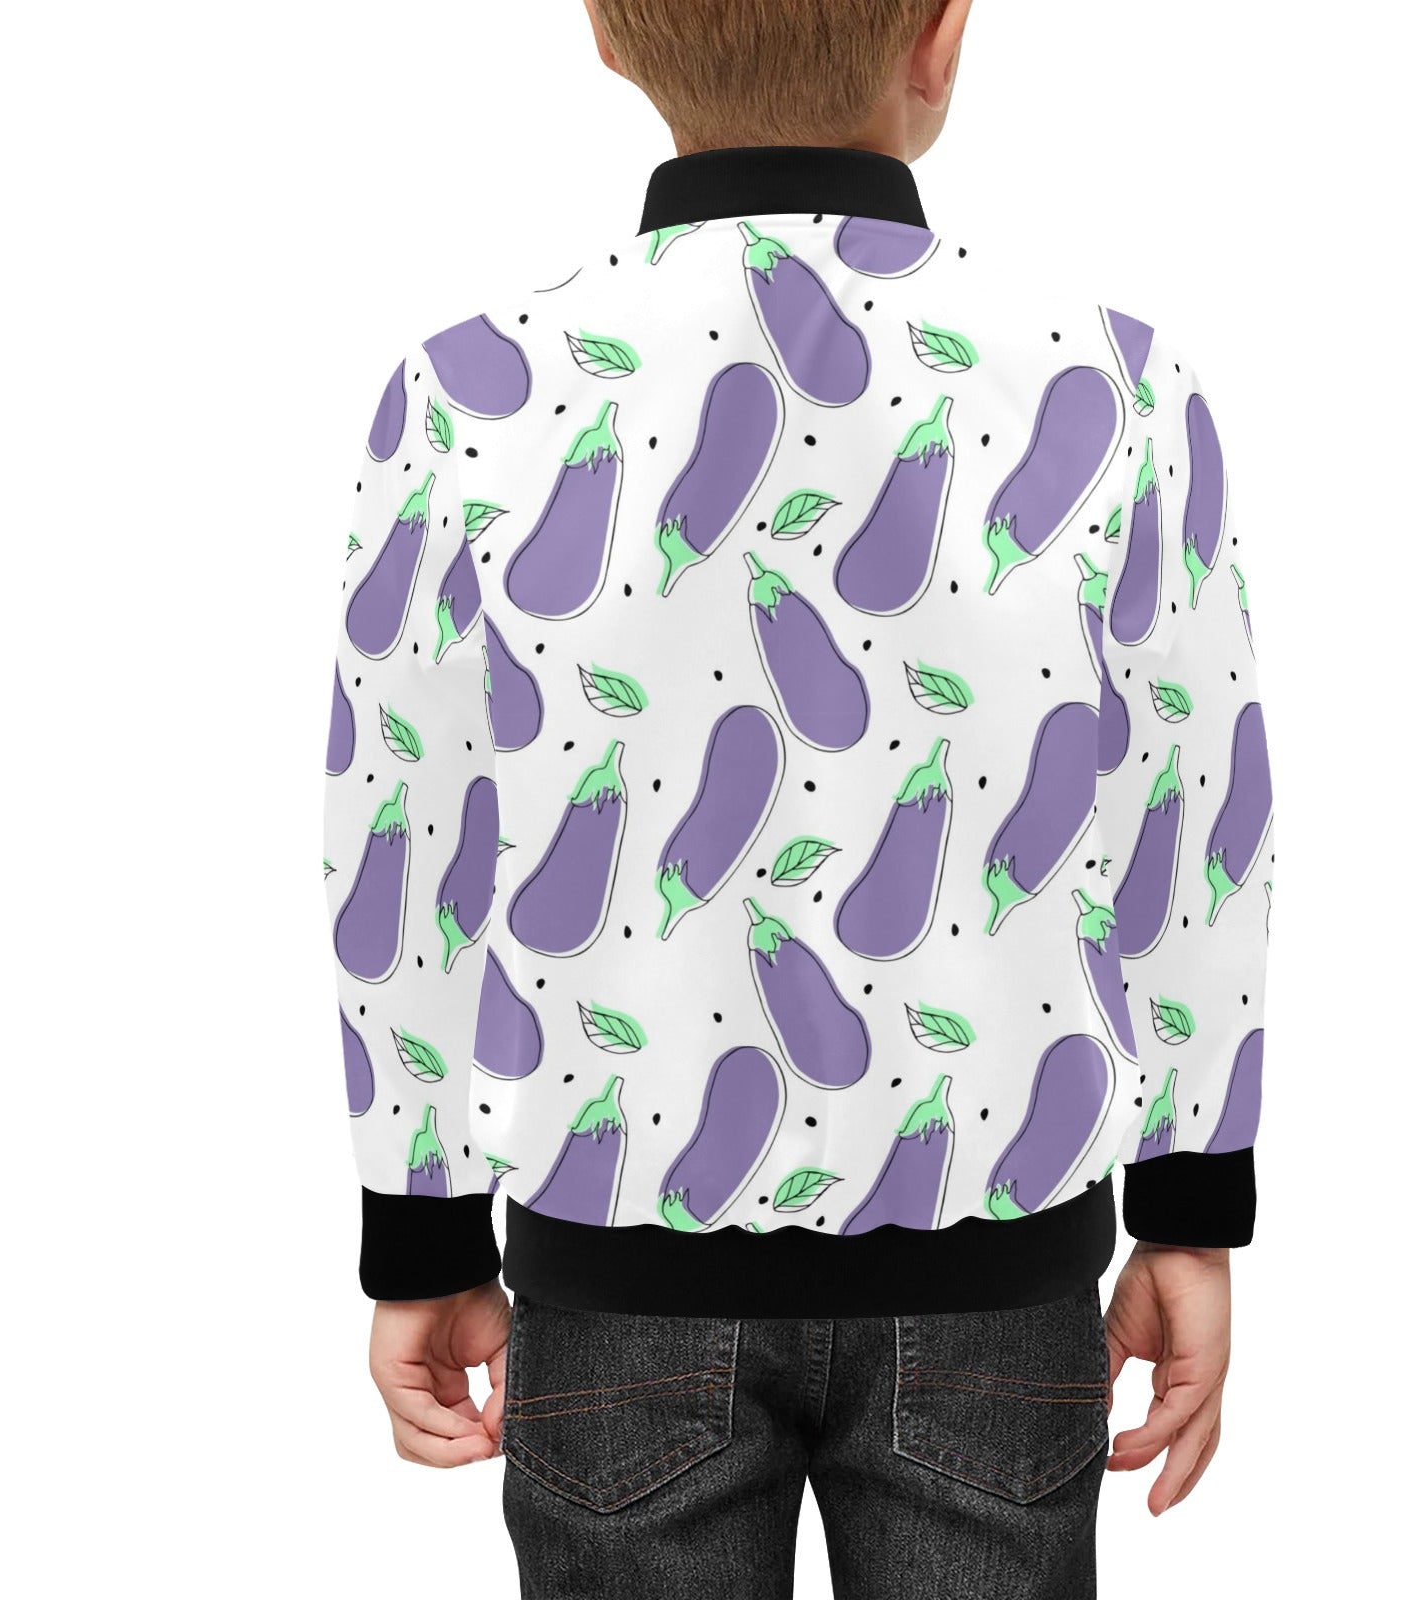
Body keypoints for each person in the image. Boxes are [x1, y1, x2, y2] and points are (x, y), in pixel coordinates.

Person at [319, 2, 1277, 1593]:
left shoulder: (468, 394)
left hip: (614, 1280)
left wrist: (420, 1227)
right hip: (999, 1278)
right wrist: (1189, 1205)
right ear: (940, 35)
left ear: (610, 32)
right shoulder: (1117, 380)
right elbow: (1198, 809)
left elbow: (399, 832)